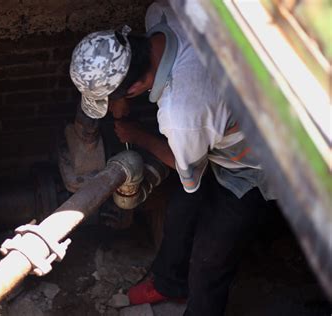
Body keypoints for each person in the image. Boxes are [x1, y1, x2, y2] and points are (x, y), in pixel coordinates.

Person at [69, 1, 276, 315]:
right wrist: (123, 104)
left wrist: (137, 135)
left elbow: (187, 171)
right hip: (239, 103)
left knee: (209, 260)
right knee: (180, 212)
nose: (110, 109)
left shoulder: (182, 113)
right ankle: (169, 284)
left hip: (260, 160)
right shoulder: (165, 12)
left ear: (135, 86)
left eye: (109, 103)